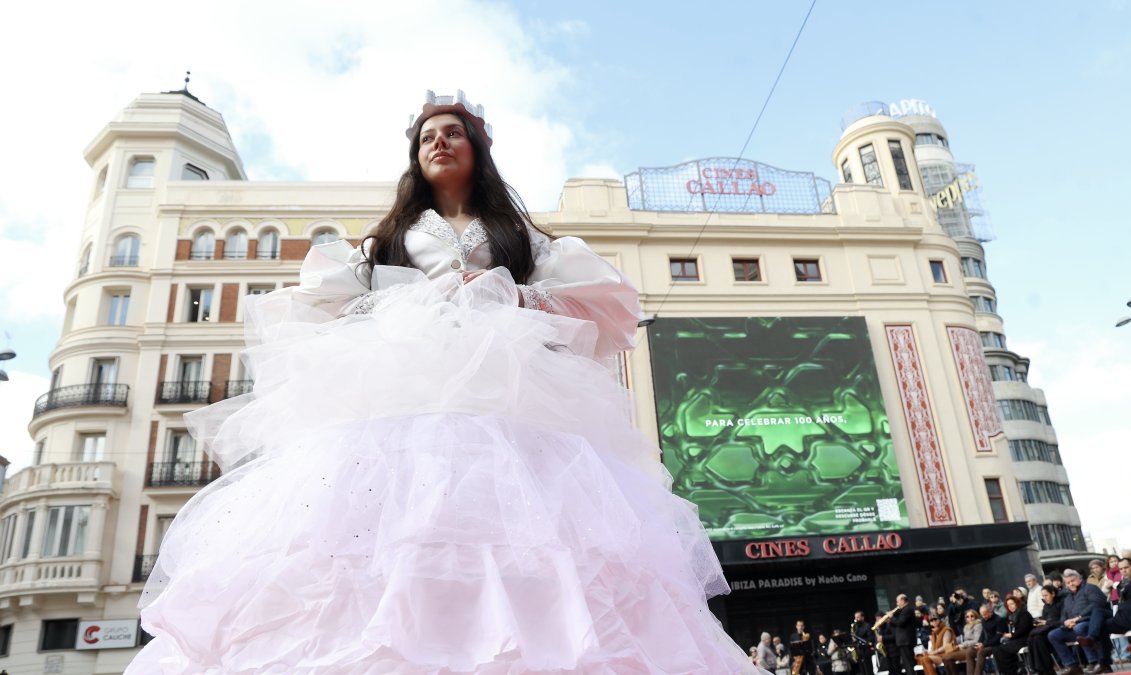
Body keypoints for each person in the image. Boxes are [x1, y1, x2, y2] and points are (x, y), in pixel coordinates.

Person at [126, 91, 760, 673]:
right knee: (390, 538)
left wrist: (511, 296)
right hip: (401, 393)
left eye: (454, 132)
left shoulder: (521, 237)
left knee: (524, 543)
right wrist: (391, 308)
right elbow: (322, 304)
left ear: (476, 150)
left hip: (510, 397)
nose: (440, 142)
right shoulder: (387, 242)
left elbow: (597, 301)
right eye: (428, 135)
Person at [1047, 569, 1111, 675]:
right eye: (1068, 582)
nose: (1071, 584)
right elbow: (1063, 615)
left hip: (1090, 623)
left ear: (1080, 579)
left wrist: (1077, 619)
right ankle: (1073, 666)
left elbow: (1097, 604)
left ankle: (1093, 662)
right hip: (1073, 626)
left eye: (1073, 580)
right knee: (1053, 635)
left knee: (1079, 628)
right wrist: (1065, 623)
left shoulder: (1090, 588)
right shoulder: (1067, 598)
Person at [991, 595, 1034, 675]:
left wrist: (1011, 635)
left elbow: (1023, 630)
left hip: (1025, 639)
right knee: (996, 650)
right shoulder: (1011, 615)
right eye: (1008, 605)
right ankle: (1007, 671)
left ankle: (1011, 671)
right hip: (1016, 639)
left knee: (1001, 650)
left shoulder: (1023, 613)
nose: (1010, 606)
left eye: (1012, 604)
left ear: (1017, 603)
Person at [1027, 585, 1065, 675]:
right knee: (1031, 638)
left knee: (1038, 639)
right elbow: (1044, 620)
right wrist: (1039, 623)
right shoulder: (1046, 607)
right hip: (1048, 630)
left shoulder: (1061, 604)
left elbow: (1063, 620)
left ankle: (1047, 669)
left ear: (1053, 594)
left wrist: (1047, 622)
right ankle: (1037, 668)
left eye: (1046, 595)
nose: (1044, 598)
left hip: (1058, 629)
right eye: (1043, 596)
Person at [966, 603, 1005, 675]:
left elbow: (998, 637)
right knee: (970, 651)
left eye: (985, 614)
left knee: (981, 652)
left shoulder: (999, 620)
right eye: (982, 615)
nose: (983, 616)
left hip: (996, 645)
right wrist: (979, 643)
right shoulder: (984, 620)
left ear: (990, 611)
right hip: (986, 644)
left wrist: (984, 644)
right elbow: (983, 634)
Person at [891, 594, 919, 675]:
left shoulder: (907, 610)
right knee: (907, 664)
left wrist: (892, 617)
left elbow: (900, 623)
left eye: (898, 602)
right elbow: (898, 624)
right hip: (903, 641)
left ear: (903, 601)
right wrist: (891, 621)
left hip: (906, 641)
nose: (897, 604)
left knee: (909, 664)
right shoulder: (903, 611)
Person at [852, 610, 876, 675]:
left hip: (866, 650)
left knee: (868, 669)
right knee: (862, 670)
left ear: (862, 617)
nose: (856, 619)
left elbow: (871, 638)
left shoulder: (867, 625)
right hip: (859, 650)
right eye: (855, 618)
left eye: (858, 617)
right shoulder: (855, 627)